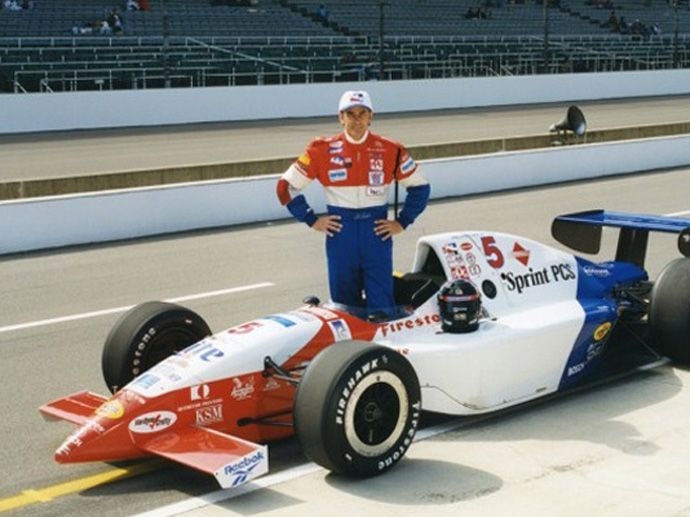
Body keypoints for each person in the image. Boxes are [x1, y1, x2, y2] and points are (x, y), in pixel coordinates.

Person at [276, 90, 430, 317]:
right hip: (341, 233)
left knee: (381, 306)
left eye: (362, 113)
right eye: (351, 114)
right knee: (344, 308)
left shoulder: (392, 150)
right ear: (341, 117)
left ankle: (384, 350)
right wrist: (311, 219)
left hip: (376, 233)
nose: (356, 120)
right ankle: (350, 352)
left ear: (371, 117)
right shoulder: (320, 150)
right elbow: (285, 187)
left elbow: (421, 187)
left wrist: (402, 222)